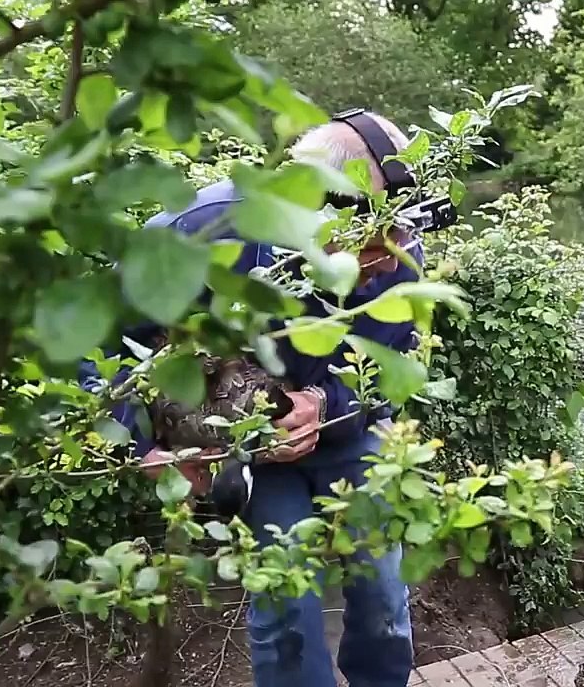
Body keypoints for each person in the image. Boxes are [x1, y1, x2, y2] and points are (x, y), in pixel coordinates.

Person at [78, 111, 419, 687]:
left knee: (382, 593)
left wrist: (325, 403)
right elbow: (94, 337)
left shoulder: (398, 235)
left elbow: (396, 357)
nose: (390, 256)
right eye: (373, 240)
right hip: (256, 451)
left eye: (398, 235)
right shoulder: (204, 228)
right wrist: (141, 444)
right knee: (286, 608)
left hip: (350, 431)